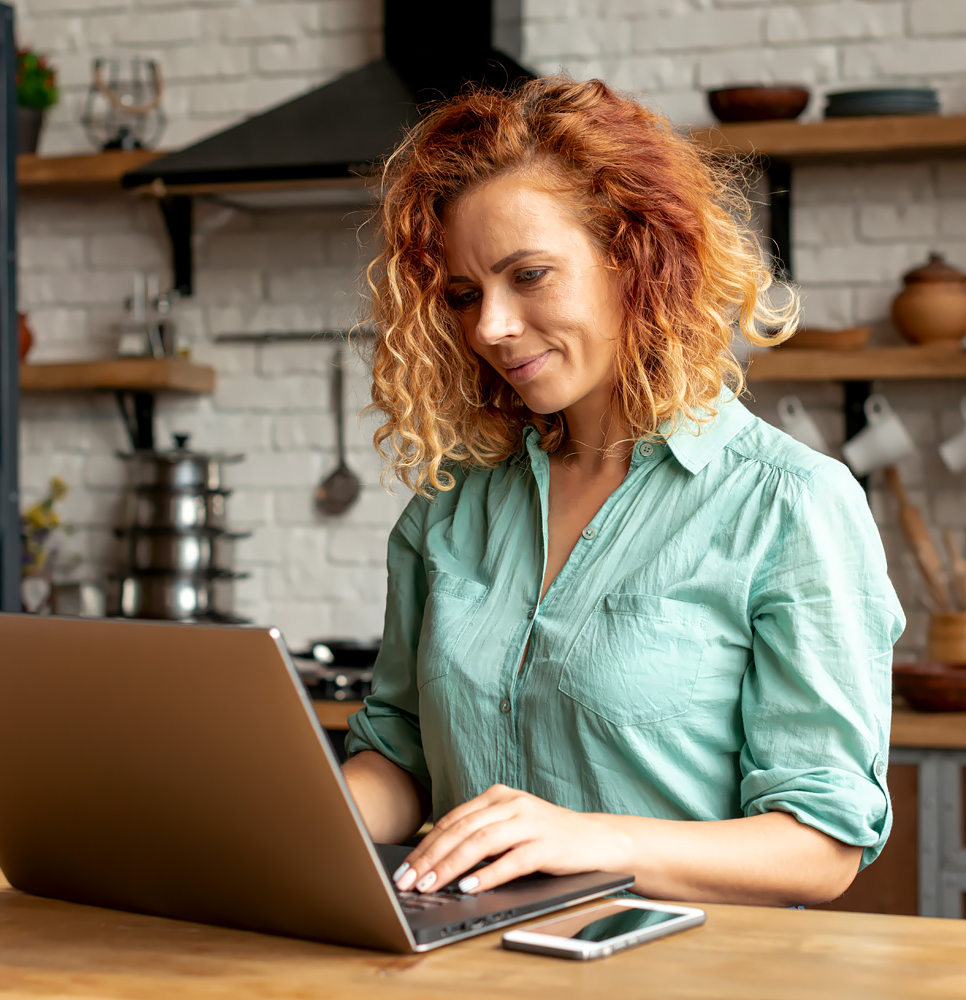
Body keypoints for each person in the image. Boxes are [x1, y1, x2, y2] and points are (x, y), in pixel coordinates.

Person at [341, 76, 905, 908]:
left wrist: (589, 838)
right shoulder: (453, 502)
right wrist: (268, 822)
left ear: (635, 259)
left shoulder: (792, 504)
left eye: (528, 275)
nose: (489, 326)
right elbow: (402, 757)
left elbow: (820, 847)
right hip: (470, 966)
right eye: (465, 295)